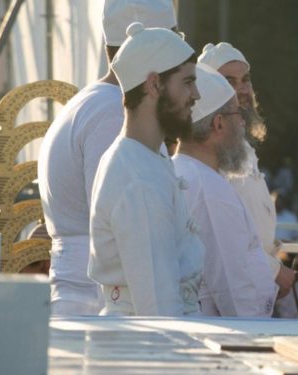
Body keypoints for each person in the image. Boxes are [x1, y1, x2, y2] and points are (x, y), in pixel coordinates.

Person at [37, 0, 178, 315]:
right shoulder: (113, 113)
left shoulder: (91, 102)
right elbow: (126, 222)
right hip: (97, 301)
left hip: (82, 294)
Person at [88, 23, 204, 316]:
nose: (197, 94)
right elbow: (158, 308)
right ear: (154, 85)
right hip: (145, 346)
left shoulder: (146, 157)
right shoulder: (137, 176)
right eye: (188, 82)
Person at [172, 64, 277, 317]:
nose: (242, 122)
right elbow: (235, 288)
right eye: (235, 114)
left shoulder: (177, 170)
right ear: (218, 124)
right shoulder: (211, 189)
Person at [198, 42, 295, 298]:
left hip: (255, 285)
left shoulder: (240, 146)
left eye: (245, 80)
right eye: (229, 81)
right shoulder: (209, 148)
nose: (241, 90)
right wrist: (275, 271)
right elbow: (226, 237)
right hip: (228, 291)